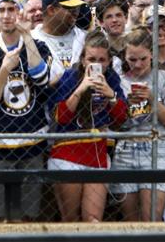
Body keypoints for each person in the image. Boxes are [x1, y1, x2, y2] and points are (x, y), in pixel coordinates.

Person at [0, 0, 55, 223]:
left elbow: (41, 79)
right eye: (2, 10)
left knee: (27, 218)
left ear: (22, 13)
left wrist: (27, 37)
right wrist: (5, 69)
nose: (7, 15)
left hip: (32, 144)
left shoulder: (39, 46)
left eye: (13, 9)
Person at [48, 30, 127, 222]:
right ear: (83, 60)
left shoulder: (112, 80)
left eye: (102, 60)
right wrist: (81, 87)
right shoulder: (69, 77)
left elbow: (122, 119)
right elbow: (61, 117)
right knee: (70, 219)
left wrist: (111, 95)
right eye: (91, 59)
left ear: (109, 62)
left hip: (97, 153)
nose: (97, 65)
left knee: (93, 220)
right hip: (67, 152)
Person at [110, 21, 165, 222]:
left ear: (152, 54)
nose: (138, 64)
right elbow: (114, 124)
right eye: (132, 59)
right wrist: (122, 106)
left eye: (143, 58)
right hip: (125, 148)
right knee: (130, 220)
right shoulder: (118, 81)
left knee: (152, 218)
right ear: (124, 56)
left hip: (157, 147)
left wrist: (151, 98)